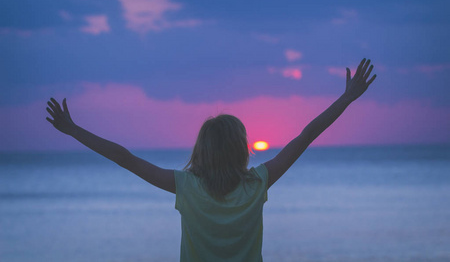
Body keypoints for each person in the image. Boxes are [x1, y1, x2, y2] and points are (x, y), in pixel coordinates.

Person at [46, 58, 376, 261]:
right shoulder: (257, 183)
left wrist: (74, 130)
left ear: (201, 150)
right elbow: (305, 137)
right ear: (241, 149)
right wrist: (346, 98)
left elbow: (126, 159)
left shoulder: (185, 186)